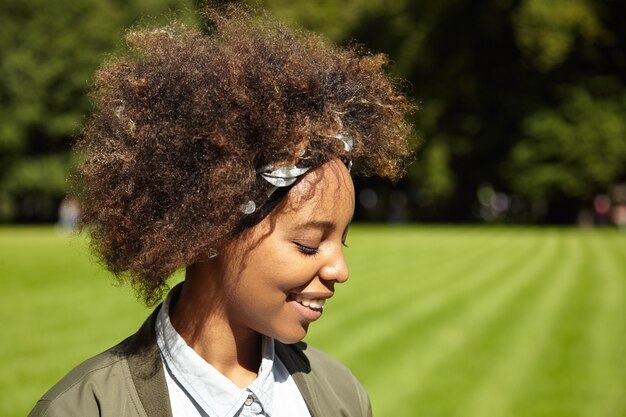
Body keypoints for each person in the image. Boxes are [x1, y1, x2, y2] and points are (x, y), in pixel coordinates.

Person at [29, 6, 413, 417]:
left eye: (342, 240)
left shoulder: (341, 397)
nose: (339, 269)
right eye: (308, 244)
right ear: (212, 231)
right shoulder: (87, 408)